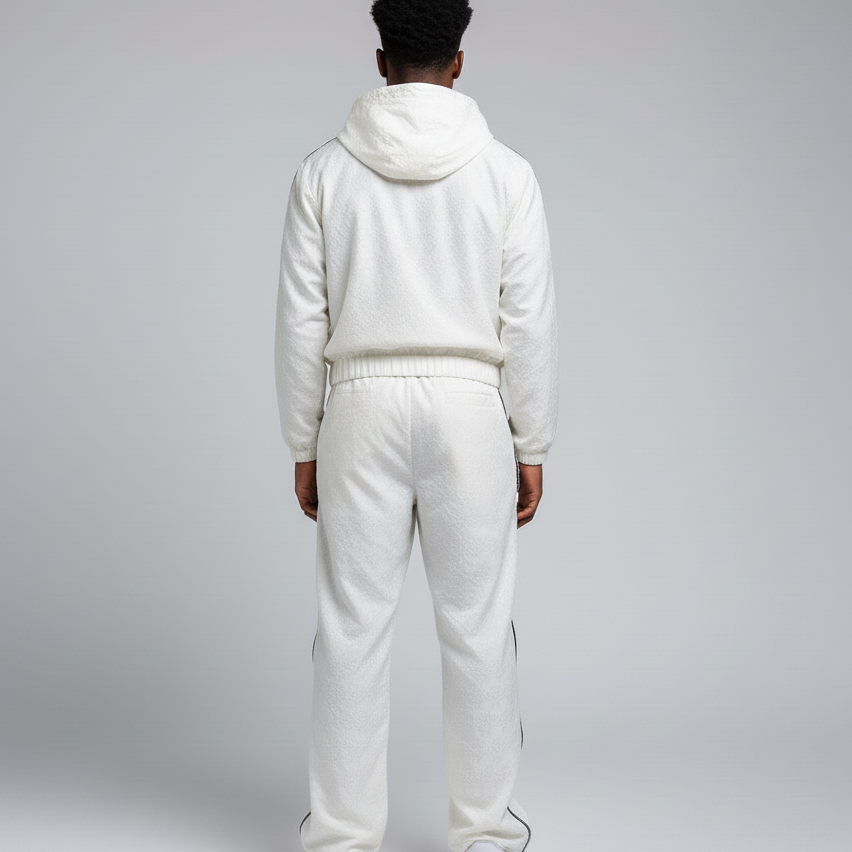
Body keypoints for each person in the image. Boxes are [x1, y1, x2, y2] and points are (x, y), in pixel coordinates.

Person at [274, 1, 558, 849]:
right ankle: (486, 836)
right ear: (459, 60)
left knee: (351, 630)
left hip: (358, 409)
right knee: (478, 629)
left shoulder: (323, 174)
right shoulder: (507, 174)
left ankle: (342, 837)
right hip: (470, 412)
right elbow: (528, 321)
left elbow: (301, 323)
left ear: (380, 59)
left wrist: (303, 441)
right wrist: (532, 440)